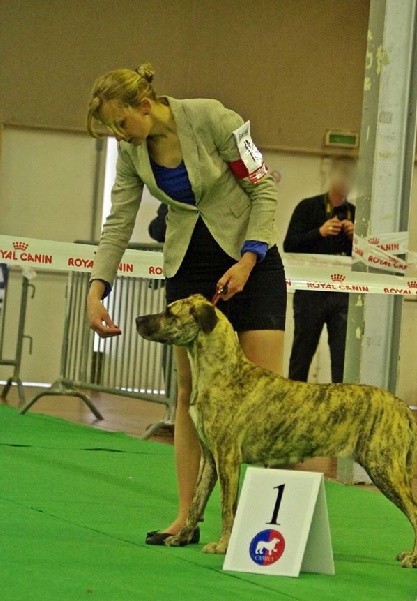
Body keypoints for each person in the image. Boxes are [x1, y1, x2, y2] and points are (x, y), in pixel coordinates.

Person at [86, 63, 287, 545]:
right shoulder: (131, 152)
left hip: (249, 260)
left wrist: (248, 259)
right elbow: (119, 221)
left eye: (121, 122)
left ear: (145, 106)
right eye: (111, 129)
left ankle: (261, 521)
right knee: (189, 394)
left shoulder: (214, 119)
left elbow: (263, 187)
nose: (119, 133)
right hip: (187, 267)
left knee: (264, 396)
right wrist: (97, 287)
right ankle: (186, 517)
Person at [283, 156, 356, 383]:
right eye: (341, 177)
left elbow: (369, 254)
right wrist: (319, 232)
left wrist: (357, 238)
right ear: (331, 178)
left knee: (342, 356)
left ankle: (341, 407)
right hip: (310, 294)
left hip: (342, 294)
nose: (345, 183)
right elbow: (289, 244)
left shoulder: (355, 212)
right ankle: (295, 406)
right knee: (302, 354)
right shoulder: (308, 208)